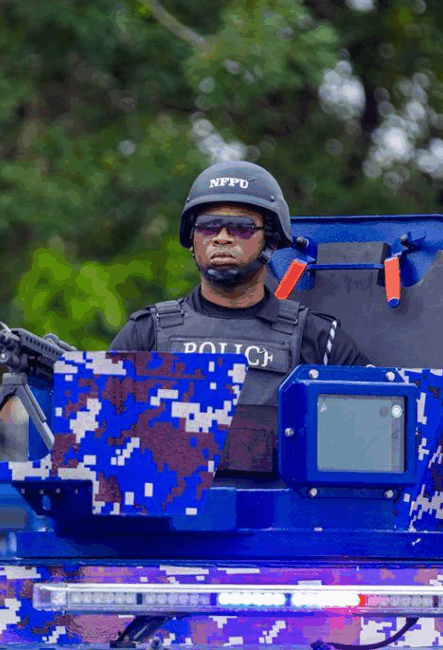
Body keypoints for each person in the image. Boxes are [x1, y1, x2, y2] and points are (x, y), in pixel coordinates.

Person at [110, 161, 368, 474]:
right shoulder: (146, 334)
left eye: (241, 228)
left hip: (283, 517)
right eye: (207, 227)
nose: (221, 238)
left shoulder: (319, 339)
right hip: (171, 520)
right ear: (192, 240)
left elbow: (369, 443)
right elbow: (103, 445)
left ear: (271, 240)